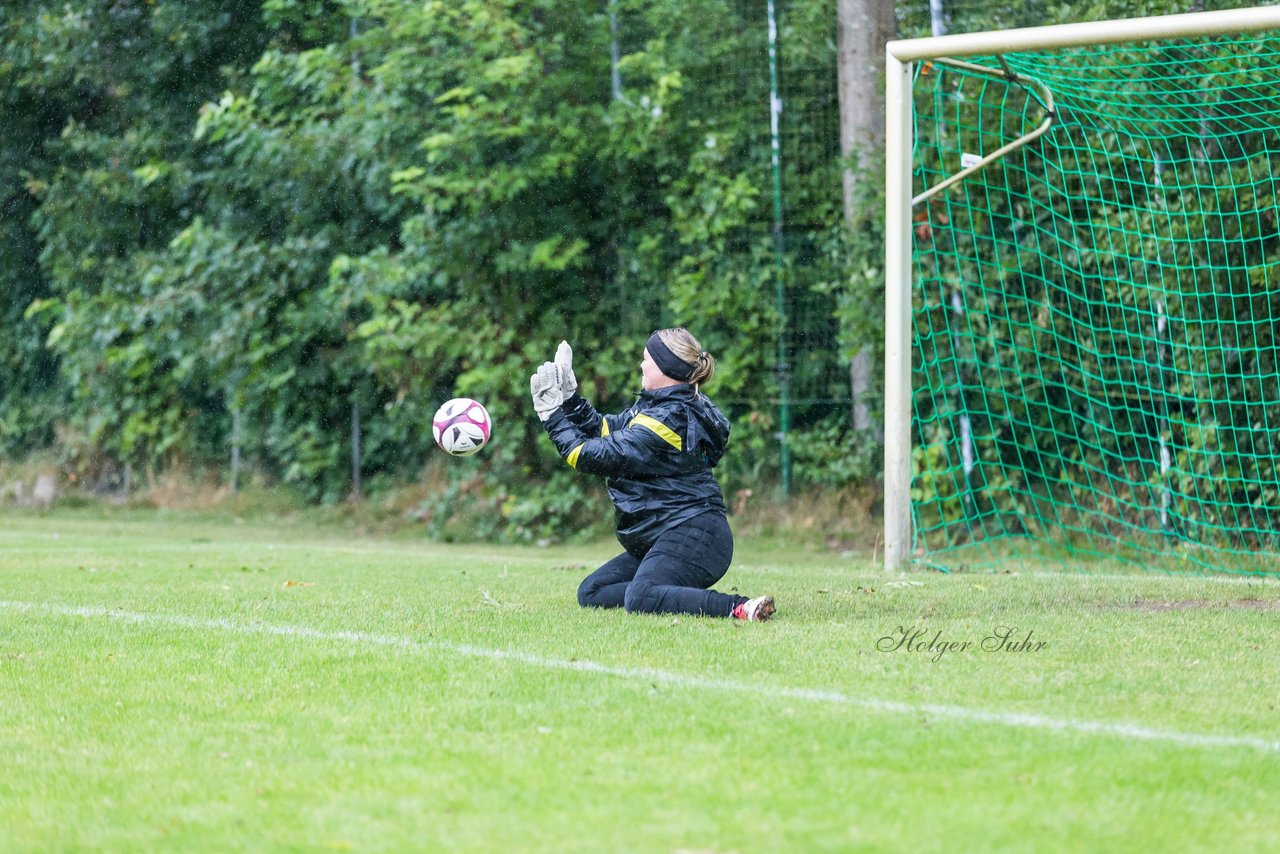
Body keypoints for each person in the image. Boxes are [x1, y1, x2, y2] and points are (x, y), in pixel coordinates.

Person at [529, 328, 775, 621]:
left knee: (640, 597)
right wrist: (569, 399)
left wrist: (551, 414)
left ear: (665, 367)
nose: (641, 365)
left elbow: (586, 454)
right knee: (592, 592)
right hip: (668, 533)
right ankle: (664, 591)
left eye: (646, 359)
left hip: (696, 535)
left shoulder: (669, 419)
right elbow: (605, 430)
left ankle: (740, 607)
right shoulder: (660, 407)